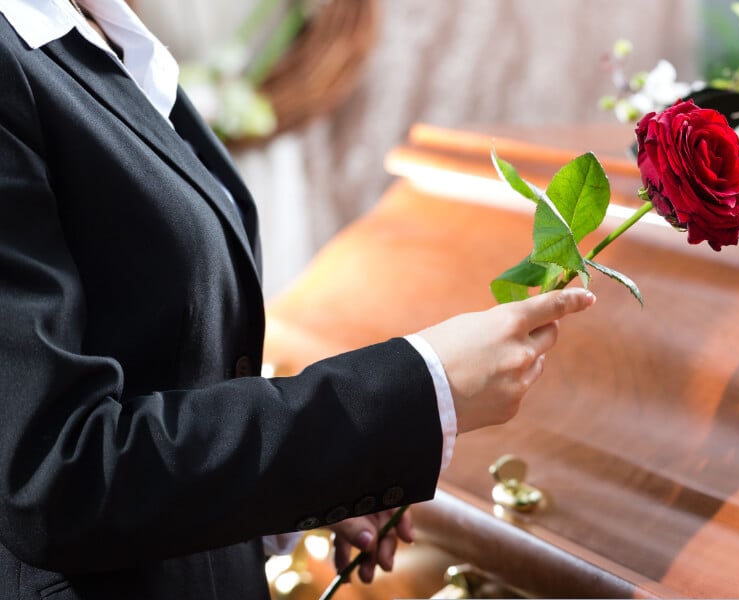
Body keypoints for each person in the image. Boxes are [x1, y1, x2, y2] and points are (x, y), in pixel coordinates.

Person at [0, 0, 595, 597]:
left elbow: (164, 367)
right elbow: (55, 478)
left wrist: (303, 484)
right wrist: (419, 389)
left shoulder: (99, 28)